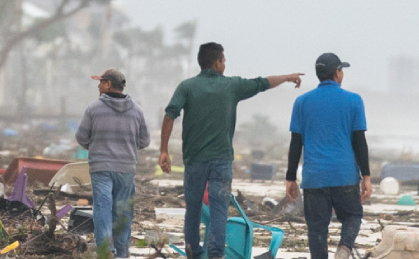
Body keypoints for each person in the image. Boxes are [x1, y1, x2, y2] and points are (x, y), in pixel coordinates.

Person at [158, 43, 305, 259]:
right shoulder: (232, 86)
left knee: (193, 209)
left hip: (194, 159)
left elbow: (170, 115)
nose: (225, 64)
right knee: (219, 209)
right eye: (224, 61)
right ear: (217, 63)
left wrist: (163, 151)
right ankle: (216, 255)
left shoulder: (186, 87)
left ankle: (192, 252)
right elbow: (262, 83)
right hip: (221, 160)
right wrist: (286, 77)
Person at [283, 52, 370, 259]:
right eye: (342, 70)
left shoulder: (302, 102)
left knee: (317, 229)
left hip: (314, 178)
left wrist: (290, 178)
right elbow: (359, 142)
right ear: (337, 73)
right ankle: (344, 247)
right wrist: (366, 176)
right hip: (344, 175)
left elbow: (296, 144)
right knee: (353, 216)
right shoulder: (354, 100)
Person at [76, 68, 152, 259]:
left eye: (101, 82)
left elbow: (81, 137)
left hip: (101, 167)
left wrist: (97, 145)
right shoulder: (137, 110)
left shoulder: (93, 109)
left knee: (102, 209)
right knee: (123, 212)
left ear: (108, 84)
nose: (98, 86)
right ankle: (122, 252)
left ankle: (106, 251)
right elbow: (144, 142)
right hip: (126, 169)